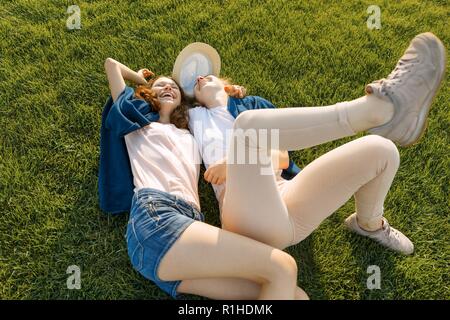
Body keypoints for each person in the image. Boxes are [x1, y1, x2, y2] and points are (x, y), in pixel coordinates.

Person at [188, 32, 446, 253]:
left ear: (227, 85)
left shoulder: (252, 105)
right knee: (248, 127)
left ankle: (369, 224)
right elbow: (151, 112)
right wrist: (146, 85)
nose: (201, 78)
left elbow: (284, 158)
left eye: (208, 76)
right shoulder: (193, 117)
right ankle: (378, 111)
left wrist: (234, 162)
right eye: (195, 82)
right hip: (246, 219)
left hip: (287, 201)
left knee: (384, 150)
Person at [98, 58, 309, 299]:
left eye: (174, 87)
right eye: (161, 86)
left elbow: (216, 115)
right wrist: (140, 78)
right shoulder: (138, 126)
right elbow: (111, 65)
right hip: (157, 217)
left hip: (184, 234)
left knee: (296, 295)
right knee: (282, 267)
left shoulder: (190, 131)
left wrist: (230, 92)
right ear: (147, 95)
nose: (168, 88)